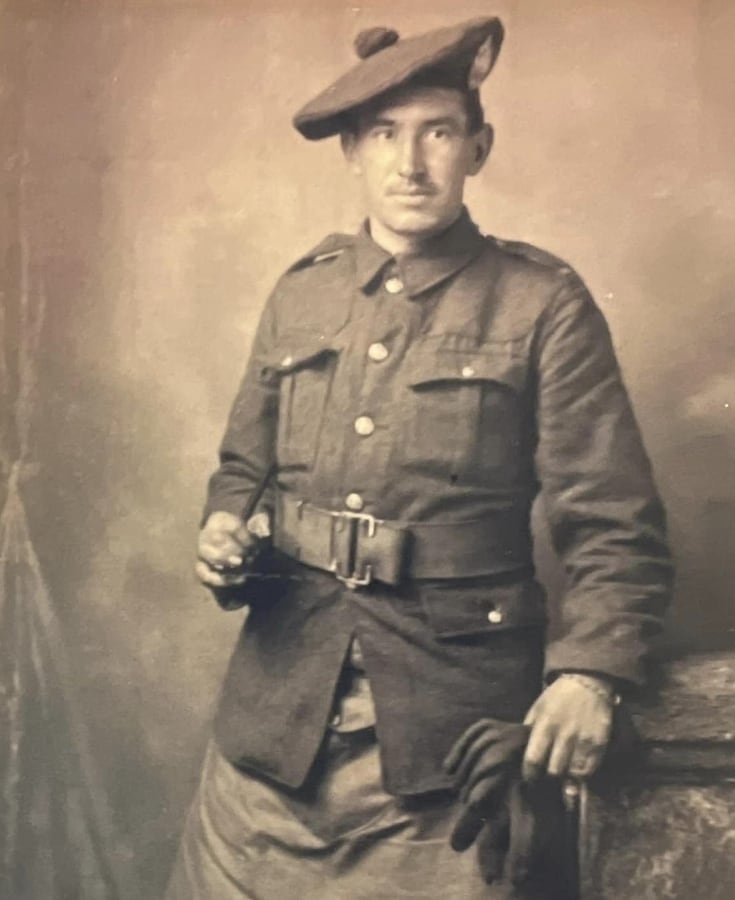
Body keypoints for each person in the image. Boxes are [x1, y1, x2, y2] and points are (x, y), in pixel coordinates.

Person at [165, 15, 673, 900]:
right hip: (276, 724)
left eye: (438, 132)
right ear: (352, 153)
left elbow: (614, 524)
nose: (411, 164)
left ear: (478, 147)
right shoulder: (303, 293)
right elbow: (244, 469)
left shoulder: (540, 304)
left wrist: (591, 671)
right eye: (386, 136)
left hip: (446, 742)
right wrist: (224, 527)